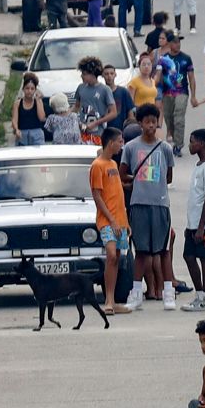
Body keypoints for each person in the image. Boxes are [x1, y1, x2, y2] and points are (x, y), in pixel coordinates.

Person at [122, 104, 177, 310]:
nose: (151, 126)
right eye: (147, 122)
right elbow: (123, 174)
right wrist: (135, 180)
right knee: (142, 251)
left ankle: (168, 293)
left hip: (160, 203)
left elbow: (169, 176)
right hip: (139, 204)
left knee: (163, 250)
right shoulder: (131, 147)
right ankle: (136, 293)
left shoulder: (165, 148)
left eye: (154, 122)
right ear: (140, 123)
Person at [89, 128, 132, 315]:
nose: (121, 145)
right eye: (119, 141)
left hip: (120, 220)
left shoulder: (113, 164)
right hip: (107, 220)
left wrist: (125, 221)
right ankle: (107, 299)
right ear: (110, 142)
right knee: (111, 255)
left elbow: (118, 195)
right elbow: (97, 196)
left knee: (117, 259)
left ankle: (112, 300)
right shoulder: (97, 166)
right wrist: (112, 220)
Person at [180, 129, 205, 313]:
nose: (190, 145)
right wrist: (190, 225)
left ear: (202, 144)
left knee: (204, 257)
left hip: (203, 224)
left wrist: (201, 227)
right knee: (188, 256)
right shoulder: (199, 165)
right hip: (194, 223)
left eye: (192, 141)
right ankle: (199, 295)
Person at [156, 34, 199, 157]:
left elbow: (191, 77)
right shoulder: (163, 59)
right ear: (169, 44)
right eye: (175, 42)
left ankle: (178, 145)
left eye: (179, 42)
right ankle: (175, 137)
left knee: (178, 117)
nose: (178, 44)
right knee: (169, 118)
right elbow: (158, 75)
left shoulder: (186, 58)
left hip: (182, 92)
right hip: (167, 92)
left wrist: (193, 96)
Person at [75, 57, 118, 145]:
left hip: (98, 134)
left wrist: (96, 123)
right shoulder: (80, 88)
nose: (82, 76)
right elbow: (76, 106)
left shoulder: (105, 89)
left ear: (92, 74)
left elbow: (113, 113)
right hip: (82, 133)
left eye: (84, 73)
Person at [11, 72, 47, 145]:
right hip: (22, 135)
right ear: (23, 89)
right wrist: (16, 129)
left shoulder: (38, 101)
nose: (29, 91)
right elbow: (14, 120)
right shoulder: (18, 103)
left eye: (32, 89)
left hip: (37, 135)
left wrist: (38, 100)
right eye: (27, 88)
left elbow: (42, 118)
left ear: (35, 90)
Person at [100, 65, 135, 132]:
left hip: (120, 130)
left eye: (111, 73)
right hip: (104, 130)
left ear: (115, 75)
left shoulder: (123, 91)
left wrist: (131, 127)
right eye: (106, 74)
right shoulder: (100, 92)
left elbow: (130, 112)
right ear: (102, 75)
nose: (109, 76)